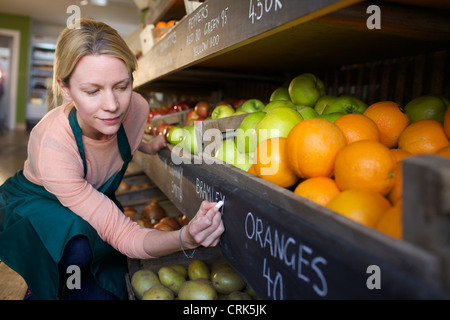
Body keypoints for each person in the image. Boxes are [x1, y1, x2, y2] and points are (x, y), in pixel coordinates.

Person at [0, 18, 224, 300]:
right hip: (39, 201)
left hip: (87, 196)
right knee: (77, 245)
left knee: (104, 274)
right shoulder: (52, 145)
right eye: (93, 91)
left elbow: (122, 136)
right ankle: (45, 276)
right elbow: (125, 235)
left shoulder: (137, 108)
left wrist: (148, 146)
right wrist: (184, 238)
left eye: (122, 86)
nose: (112, 106)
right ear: (66, 89)